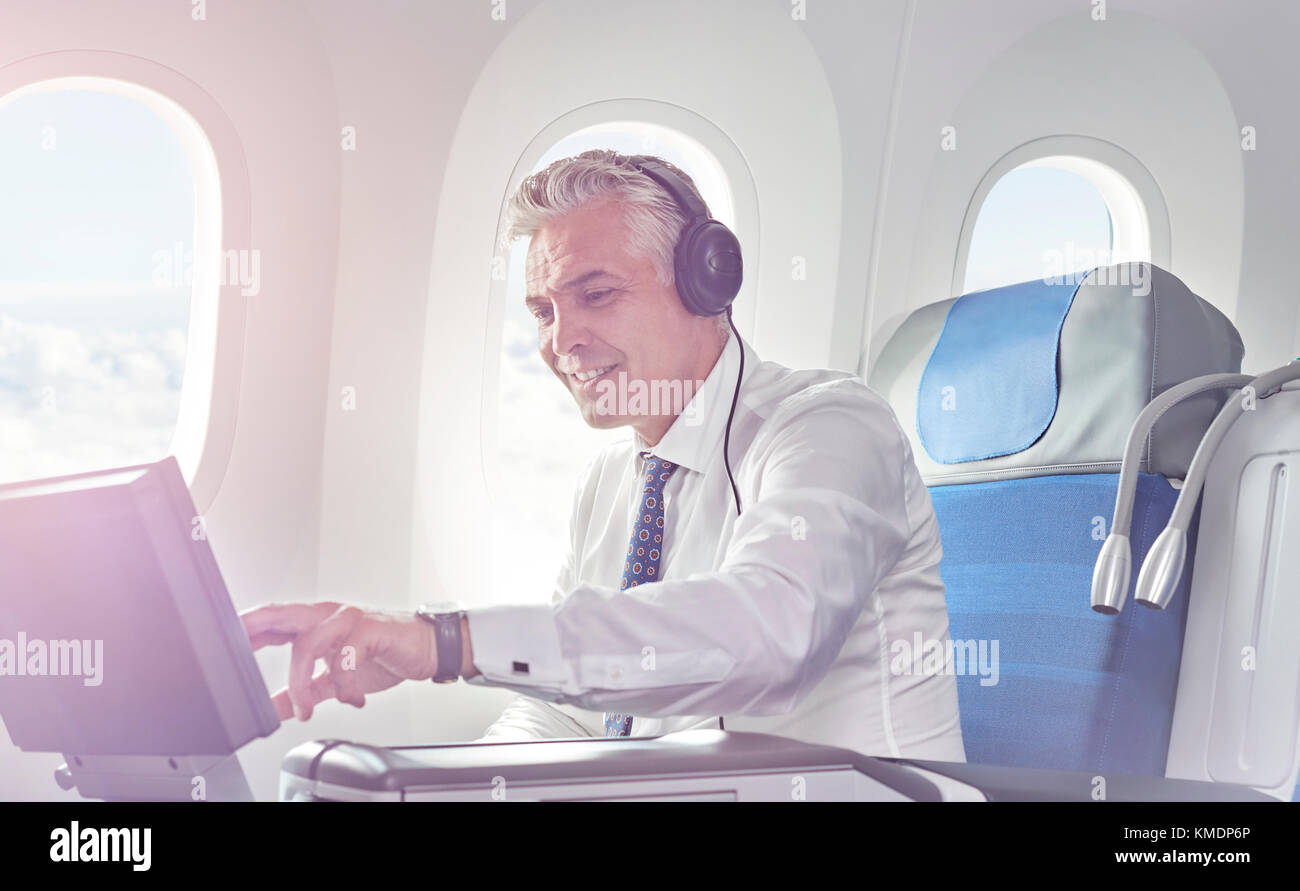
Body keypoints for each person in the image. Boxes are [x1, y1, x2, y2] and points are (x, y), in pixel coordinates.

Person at [241, 150, 966, 762]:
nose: (563, 340)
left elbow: (769, 634)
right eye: (543, 311)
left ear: (705, 282)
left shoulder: (830, 427)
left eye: (596, 293)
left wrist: (443, 641)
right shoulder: (611, 484)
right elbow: (566, 718)